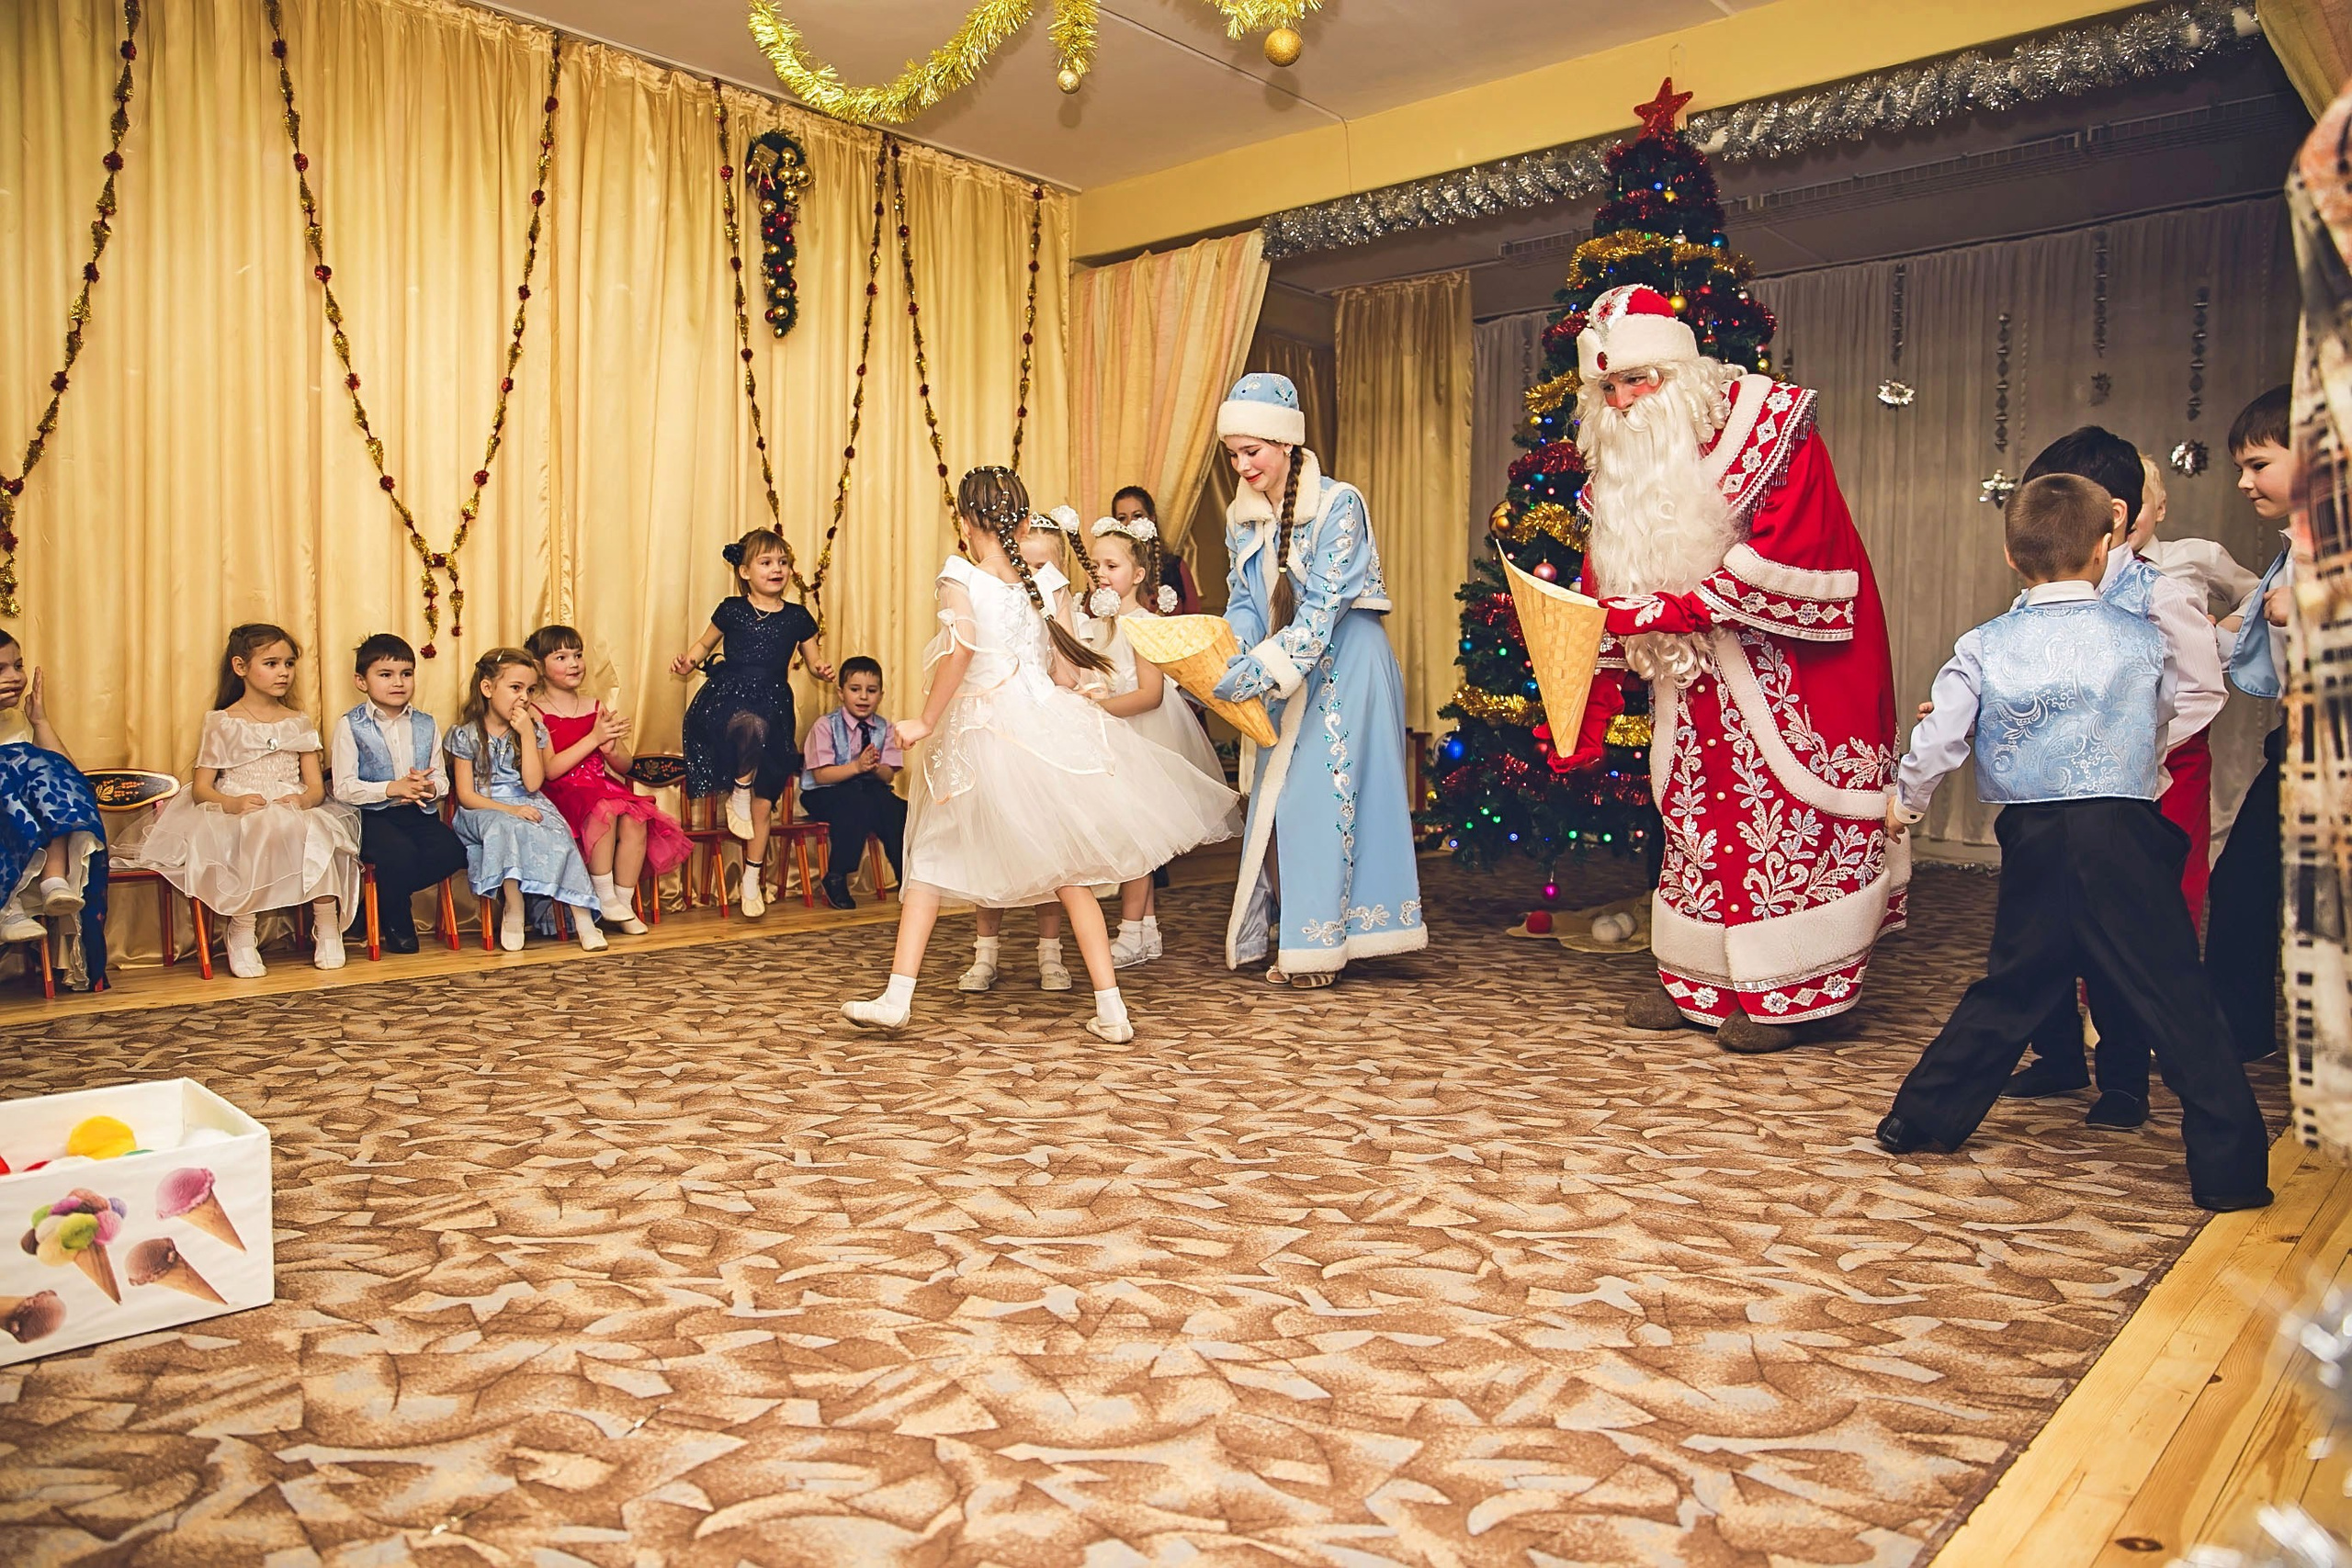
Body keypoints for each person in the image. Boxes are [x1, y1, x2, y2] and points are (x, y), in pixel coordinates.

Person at [1876, 474, 2272, 1213]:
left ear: (2008, 554)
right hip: (2121, 829)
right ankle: (2231, 1170)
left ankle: (1918, 1119)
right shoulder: (2140, 636)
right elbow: (2164, 715)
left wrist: (1908, 800)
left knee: (2014, 981)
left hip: (2034, 835)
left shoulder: (1985, 643)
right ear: (2104, 548)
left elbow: (1941, 735)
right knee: (2174, 992)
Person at [1559, 285, 1897, 1050]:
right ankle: (1700, 984)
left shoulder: (1770, 425)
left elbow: (1798, 547)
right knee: (1696, 819)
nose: (1620, 401)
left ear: (1679, 374)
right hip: (1687, 683)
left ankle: (1794, 993)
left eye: (1635, 380)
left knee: (1785, 818)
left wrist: (1674, 609)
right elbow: (1604, 583)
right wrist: (1594, 674)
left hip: (1785, 673)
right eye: (1605, 387)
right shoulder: (1614, 473)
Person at [843, 467, 1238, 1041]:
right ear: (1023, 521)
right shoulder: (1046, 581)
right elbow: (1063, 669)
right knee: (1067, 866)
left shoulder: (960, 576)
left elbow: (962, 650)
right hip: (1041, 721)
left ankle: (899, 997)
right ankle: (1111, 1009)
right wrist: (1081, 695)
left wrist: (925, 720)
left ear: (965, 520)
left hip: (984, 728)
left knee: (930, 861)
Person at [2001, 429, 2228, 1125]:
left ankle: (2125, 1081)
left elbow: (2198, 690)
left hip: (2126, 799)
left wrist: (2132, 750)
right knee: (2036, 932)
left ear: (2114, 517)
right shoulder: (2038, 595)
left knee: (2117, 943)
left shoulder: (2161, 595)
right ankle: (2058, 1054)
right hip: (2047, 797)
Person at [1211, 372, 1426, 987]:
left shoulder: (1340, 504)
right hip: (1287, 668)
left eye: (1252, 451)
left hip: (1348, 662)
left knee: (1320, 797)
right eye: (1234, 454)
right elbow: (1245, 601)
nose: (1242, 465)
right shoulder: (1242, 517)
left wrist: (1264, 667)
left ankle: (1322, 947)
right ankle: (1304, 935)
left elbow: (1324, 606)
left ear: (1286, 445)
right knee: (1278, 805)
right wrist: (1231, 654)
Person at [138, 623, 362, 977]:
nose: (283, 672)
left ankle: (327, 924)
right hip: (239, 805)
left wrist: (303, 801)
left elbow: (316, 788)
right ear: (241, 667)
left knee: (321, 834)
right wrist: (232, 805)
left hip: (289, 805)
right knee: (255, 830)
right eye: (271, 663)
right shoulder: (222, 722)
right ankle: (242, 931)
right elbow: (202, 788)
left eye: (288, 664)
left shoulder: (298, 722)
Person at [2206, 385, 2301, 1064]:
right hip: (2296, 746)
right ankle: (2237, 1034)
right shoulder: (2294, 551)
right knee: (2241, 882)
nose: (2244, 481)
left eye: (2259, 464)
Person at [959, 507, 1088, 991]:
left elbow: (1067, 669)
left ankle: (1050, 952)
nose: (1028, 573)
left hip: (1044, 728)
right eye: (1025, 564)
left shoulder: (1053, 596)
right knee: (992, 841)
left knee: (1050, 847)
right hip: (995, 727)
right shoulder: (990, 587)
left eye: (1038, 566)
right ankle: (985, 953)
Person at [1087, 513, 1224, 965]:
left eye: (1113, 566)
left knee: (1137, 838)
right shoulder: (1102, 624)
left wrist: (1094, 708)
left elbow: (1149, 695)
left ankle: (1129, 931)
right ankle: (1146, 932)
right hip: (1116, 739)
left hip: (1143, 737)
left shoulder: (1144, 625)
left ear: (1138, 574)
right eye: (1097, 566)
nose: (1102, 575)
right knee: (1131, 834)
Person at [673, 527, 831, 919]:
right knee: (749, 725)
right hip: (728, 701)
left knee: (763, 806)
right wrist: (688, 661)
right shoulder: (731, 609)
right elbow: (702, 645)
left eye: (782, 562)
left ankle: (751, 878)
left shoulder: (797, 617)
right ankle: (739, 787)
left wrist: (822, 669)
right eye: (766, 563)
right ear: (745, 571)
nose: (776, 569)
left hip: (775, 704)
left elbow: (813, 661)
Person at [526, 624, 688, 934]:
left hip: (599, 787)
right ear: (540, 667)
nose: (573, 664)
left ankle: (622, 904)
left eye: (577, 655)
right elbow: (550, 770)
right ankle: (603, 893)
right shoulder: (535, 711)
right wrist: (592, 739)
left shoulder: (595, 706)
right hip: (562, 792)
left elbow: (626, 765)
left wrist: (611, 748)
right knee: (606, 807)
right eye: (561, 657)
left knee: (635, 818)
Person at [447, 648, 605, 954]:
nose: (524, 697)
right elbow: (466, 796)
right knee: (507, 828)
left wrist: (527, 736)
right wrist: (511, 810)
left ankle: (584, 919)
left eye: (530, 690)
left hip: (527, 799)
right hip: (484, 808)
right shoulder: (465, 735)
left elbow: (533, 783)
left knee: (559, 835)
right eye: (515, 688)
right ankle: (514, 908)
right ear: (488, 688)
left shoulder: (532, 730)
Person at [330, 633, 468, 954]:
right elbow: (344, 787)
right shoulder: (350, 725)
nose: (399, 683)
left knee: (453, 852)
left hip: (418, 812)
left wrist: (428, 787)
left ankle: (373, 908)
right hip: (371, 816)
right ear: (361, 681)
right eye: (386, 675)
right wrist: (392, 788)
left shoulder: (426, 723)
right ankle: (397, 921)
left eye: (406, 674)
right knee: (398, 853)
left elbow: (443, 781)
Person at [0, 635, 107, 988]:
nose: (15, 676)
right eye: (1, 668)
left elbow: (70, 781)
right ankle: (8, 905)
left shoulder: (18, 722)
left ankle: (53, 880)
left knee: (49, 774)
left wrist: (40, 721)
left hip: (25, 833)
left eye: (18, 666)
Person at [797, 656, 905, 911]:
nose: (863, 697)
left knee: (898, 809)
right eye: (855, 690)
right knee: (856, 806)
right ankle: (835, 876)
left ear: (881, 694)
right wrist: (857, 766)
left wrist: (874, 766)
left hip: (868, 788)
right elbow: (821, 776)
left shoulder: (885, 728)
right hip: (825, 792)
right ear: (841, 693)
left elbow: (888, 775)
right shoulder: (825, 726)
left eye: (871, 690)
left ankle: (906, 876)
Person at [2136, 453, 2258, 619]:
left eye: (2136, 503)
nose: (2123, 517)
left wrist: (2228, 626)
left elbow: (2255, 594)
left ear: (2160, 509)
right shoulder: (2093, 570)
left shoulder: (2196, 555)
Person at [1113, 484, 1203, 616]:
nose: (1130, 523)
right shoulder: (1109, 569)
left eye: (1137, 515)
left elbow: (1195, 618)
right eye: (1122, 518)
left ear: (1152, 518)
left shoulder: (1175, 566)